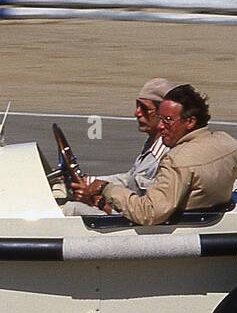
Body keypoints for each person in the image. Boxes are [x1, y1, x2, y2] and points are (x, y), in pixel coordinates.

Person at [69, 84, 237, 224]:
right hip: (204, 226)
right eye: (160, 118)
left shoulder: (176, 160)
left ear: (190, 122)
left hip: (164, 235)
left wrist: (107, 189)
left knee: (69, 210)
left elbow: (149, 213)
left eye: (167, 120)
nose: (160, 126)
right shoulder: (229, 144)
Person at [60, 77, 173, 216]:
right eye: (137, 106)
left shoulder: (163, 157)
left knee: (68, 209)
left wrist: (98, 201)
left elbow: (146, 210)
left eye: (144, 108)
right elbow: (130, 179)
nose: (136, 113)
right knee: (60, 191)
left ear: (163, 114)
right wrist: (88, 182)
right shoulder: (152, 145)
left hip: (131, 222)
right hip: (125, 212)